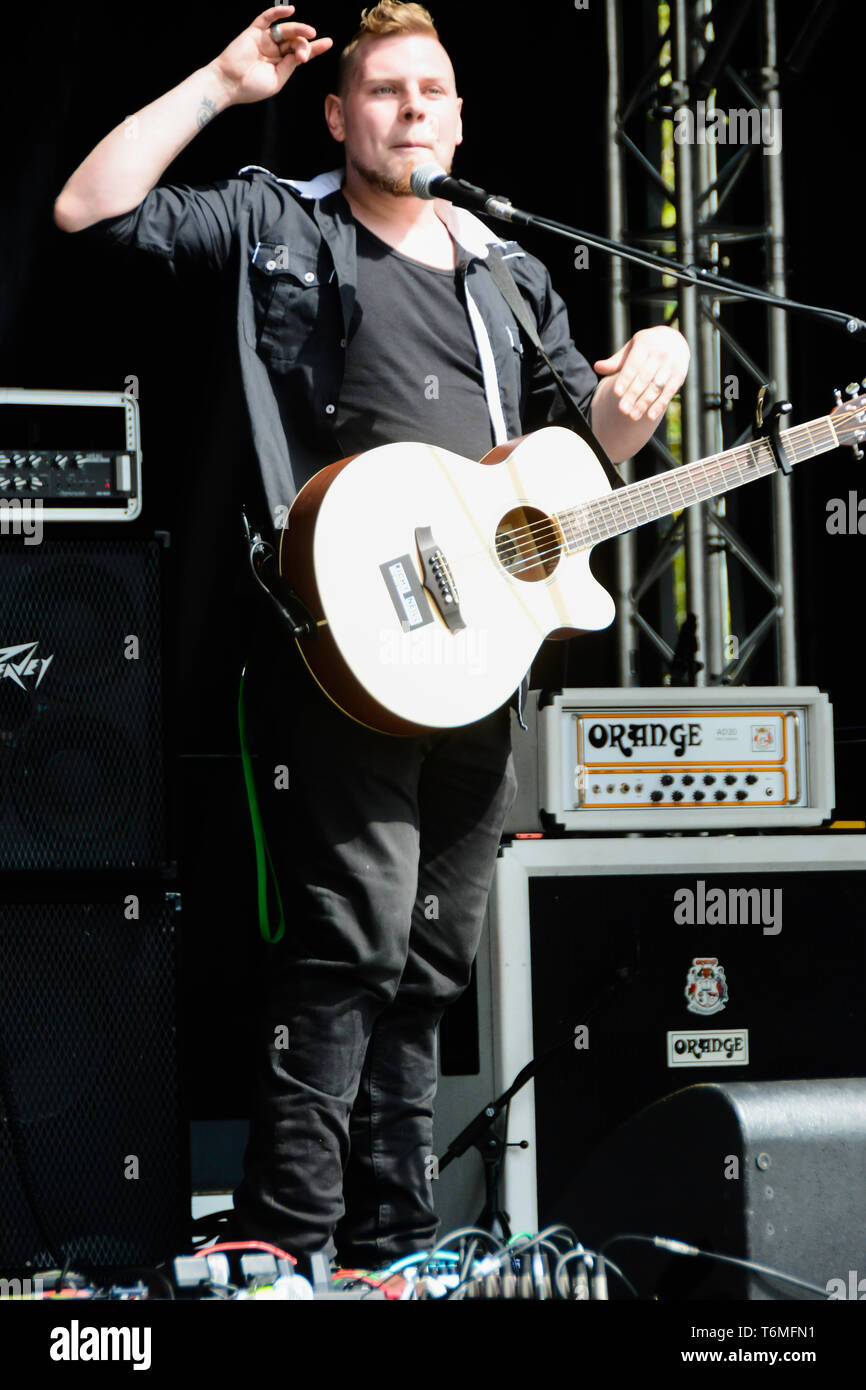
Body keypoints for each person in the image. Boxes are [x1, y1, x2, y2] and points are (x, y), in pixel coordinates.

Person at [54, 2, 689, 1273]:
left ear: (460, 116)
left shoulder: (508, 272)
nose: (411, 109)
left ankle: (395, 1248)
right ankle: (286, 1240)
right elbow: (91, 215)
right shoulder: (283, 225)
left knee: (434, 955)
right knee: (351, 932)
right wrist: (220, 88)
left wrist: (637, 397)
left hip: (480, 651)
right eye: (384, 91)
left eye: (432, 91)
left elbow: (578, 464)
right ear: (339, 116)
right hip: (340, 643)